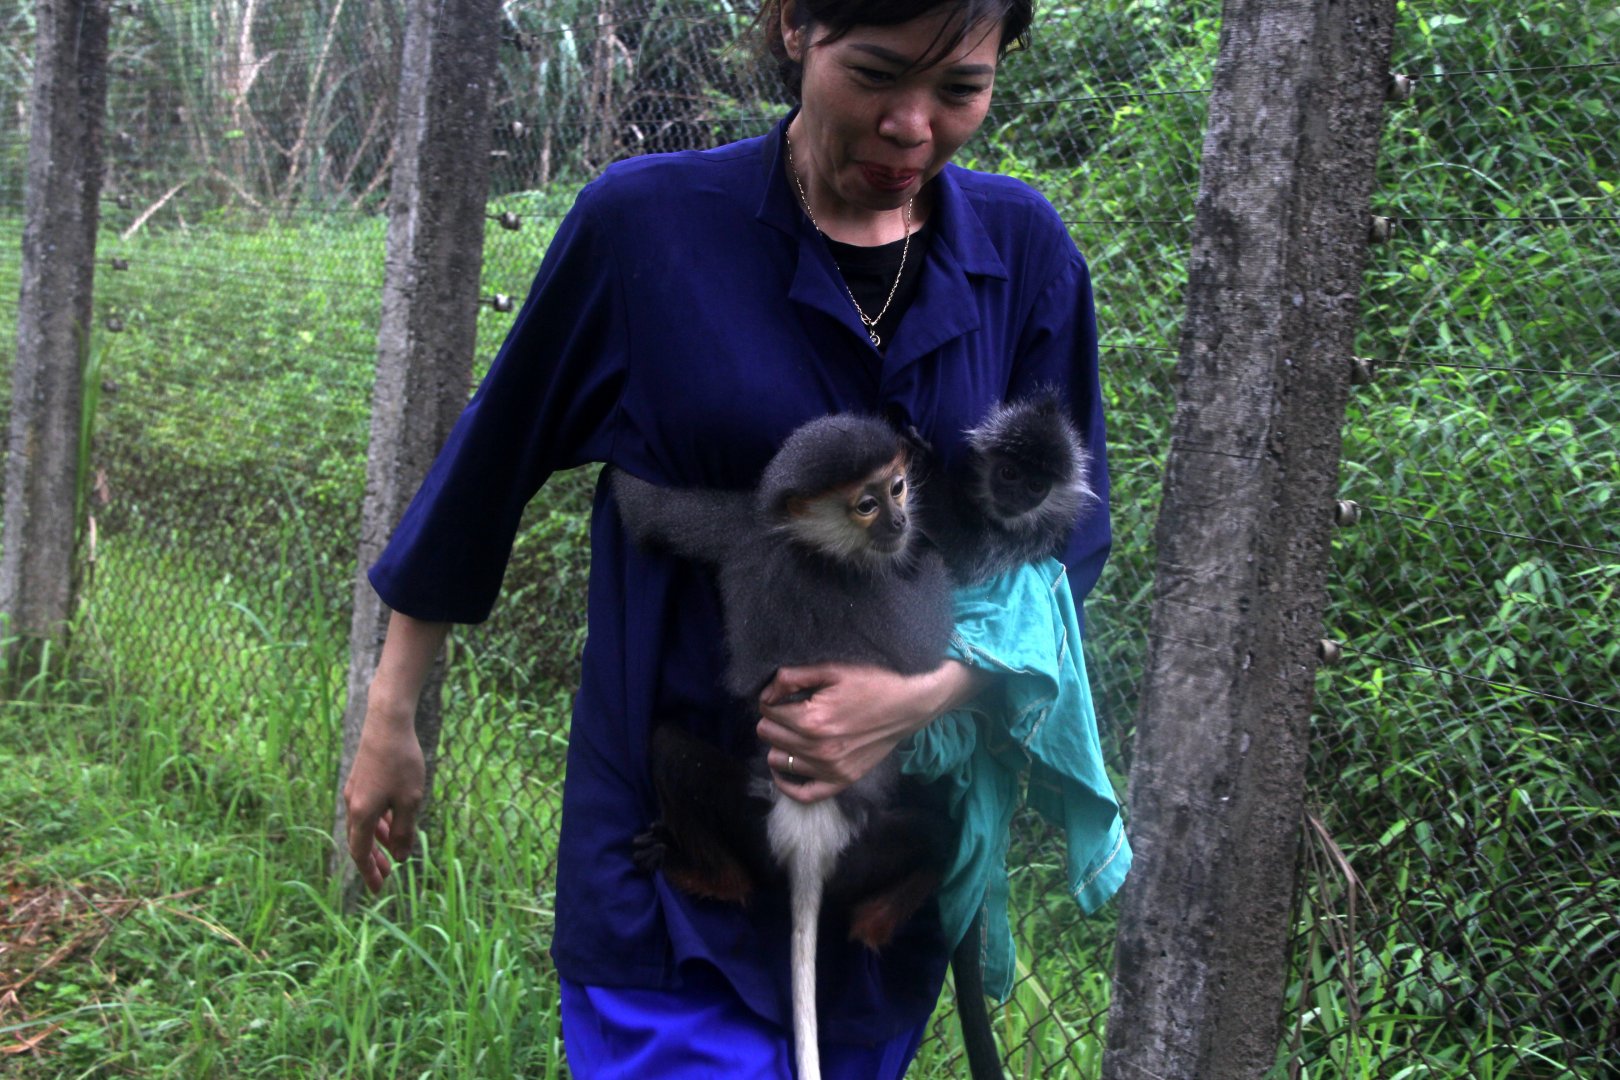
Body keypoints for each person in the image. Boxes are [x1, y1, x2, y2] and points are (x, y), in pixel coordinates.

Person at [342, 0, 1111, 1074]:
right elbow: (491, 463)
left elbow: (1059, 552)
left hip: (879, 882)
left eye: (960, 91)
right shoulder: (647, 228)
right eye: (879, 75)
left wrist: (923, 698)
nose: (912, 128)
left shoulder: (1024, 256)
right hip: (670, 854)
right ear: (798, 27)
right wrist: (393, 709)